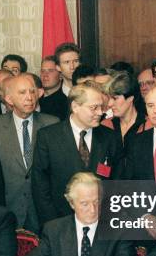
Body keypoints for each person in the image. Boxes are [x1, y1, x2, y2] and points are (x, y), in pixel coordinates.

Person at [18, 172, 132, 256]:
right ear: (72, 203)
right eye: (84, 204)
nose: (93, 210)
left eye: (97, 202)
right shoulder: (54, 230)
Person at [32, 81, 120, 226]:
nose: (100, 113)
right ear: (75, 107)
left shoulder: (109, 137)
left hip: (101, 222)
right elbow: (40, 186)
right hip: (61, 221)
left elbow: (117, 181)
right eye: (94, 108)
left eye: (101, 107)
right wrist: (52, 223)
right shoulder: (48, 137)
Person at [0, 75, 58, 232]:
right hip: (8, 210)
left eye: (32, 91)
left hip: (44, 211)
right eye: (22, 93)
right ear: (9, 99)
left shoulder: (52, 123)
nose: (29, 97)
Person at [101, 71, 147, 149]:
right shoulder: (106, 125)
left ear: (130, 98)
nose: (110, 104)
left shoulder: (148, 125)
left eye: (115, 98)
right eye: (109, 98)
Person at [39, 55, 68, 120]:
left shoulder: (66, 103)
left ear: (61, 75)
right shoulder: (34, 98)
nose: (45, 75)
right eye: (43, 71)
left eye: (50, 71)